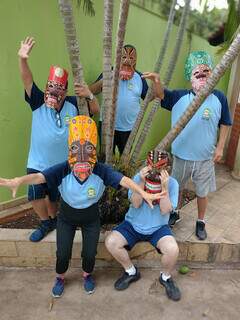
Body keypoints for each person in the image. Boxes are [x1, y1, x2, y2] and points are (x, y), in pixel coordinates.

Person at [0, 115, 164, 297]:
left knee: (89, 253)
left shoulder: (101, 170)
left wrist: (143, 193)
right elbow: (40, 177)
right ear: (70, 154)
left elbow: (123, 180)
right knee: (62, 253)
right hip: (66, 217)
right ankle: (60, 277)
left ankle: (87, 275)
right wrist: (19, 181)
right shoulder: (63, 169)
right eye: (77, 157)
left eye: (87, 156)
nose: (82, 167)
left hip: (91, 217)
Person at [18, 36, 99, 242]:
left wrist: (89, 95)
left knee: (54, 196)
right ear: (47, 87)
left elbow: (95, 112)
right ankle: (45, 222)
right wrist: (23, 59)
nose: (54, 91)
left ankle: (53, 218)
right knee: (35, 194)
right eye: (51, 86)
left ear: (65, 90)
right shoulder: (38, 101)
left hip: (62, 164)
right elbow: (27, 80)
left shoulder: (74, 103)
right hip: (37, 162)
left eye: (59, 87)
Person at [160, 51, 232, 240]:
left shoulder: (219, 98)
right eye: (196, 71)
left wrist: (220, 147)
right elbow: (158, 95)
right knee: (178, 187)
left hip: (205, 158)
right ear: (190, 76)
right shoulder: (178, 96)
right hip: (181, 156)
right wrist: (157, 82)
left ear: (213, 73)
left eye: (206, 70)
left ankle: (201, 221)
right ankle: (174, 212)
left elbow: (225, 122)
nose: (201, 73)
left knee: (202, 192)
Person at [105, 150, 181, 301]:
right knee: (111, 242)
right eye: (151, 166)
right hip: (133, 224)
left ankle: (165, 277)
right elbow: (136, 203)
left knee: (172, 249)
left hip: (158, 228)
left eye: (159, 168)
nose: (154, 171)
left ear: (167, 169)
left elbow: (166, 209)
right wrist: (140, 182)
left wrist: (164, 188)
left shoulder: (172, 183)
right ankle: (131, 271)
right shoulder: (138, 178)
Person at [90, 44, 164, 154]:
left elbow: (148, 98)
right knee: (105, 157)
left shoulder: (139, 77)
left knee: (125, 158)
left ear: (135, 60)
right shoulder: (108, 72)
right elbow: (91, 90)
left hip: (128, 128)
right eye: (124, 57)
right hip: (106, 126)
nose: (127, 61)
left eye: (131, 58)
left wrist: (156, 83)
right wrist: (104, 80)